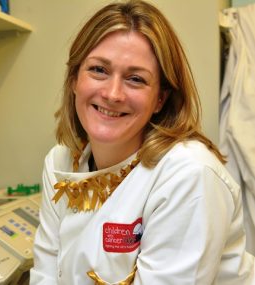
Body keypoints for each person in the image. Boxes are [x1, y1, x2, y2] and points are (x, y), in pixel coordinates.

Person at [30, 0, 255, 284]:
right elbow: (46, 274)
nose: (113, 94)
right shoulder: (61, 161)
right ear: (74, 79)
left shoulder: (189, 174)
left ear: (160, 99)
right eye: (99, 70)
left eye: (135, 79)